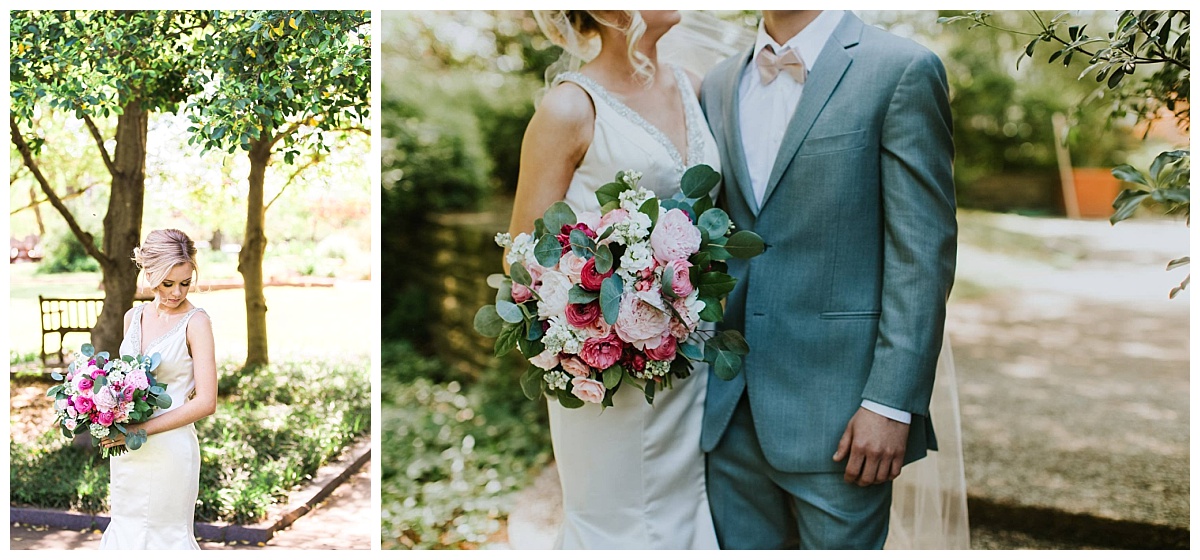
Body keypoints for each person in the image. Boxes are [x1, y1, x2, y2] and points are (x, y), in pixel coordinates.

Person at [698, 10, 960, 549]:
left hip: (843, 418)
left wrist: (890, 403)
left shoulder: (901, 69)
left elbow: (922, 252)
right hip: (728, 412)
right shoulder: (719, 83)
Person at [511, 10, 720, 549]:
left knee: (687, 514)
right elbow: (522, 264)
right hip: (609, 374)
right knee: (616, 527)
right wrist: (598, 333)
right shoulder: (569, 108)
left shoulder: (694, 88)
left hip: (691, 360)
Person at [98, 228, 217, 549]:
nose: (177, 292)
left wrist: (141, 430)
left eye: (185, 282)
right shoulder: (132, 317)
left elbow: (206, 402)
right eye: (167, 283)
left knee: (167, 539)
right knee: (127, 533)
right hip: (126, 453)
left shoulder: (197, 322)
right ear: (148, 272)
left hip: (170, 451)